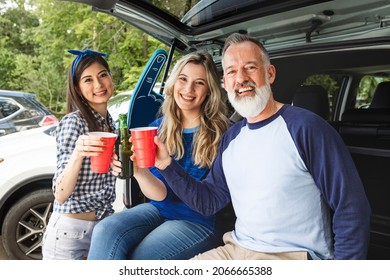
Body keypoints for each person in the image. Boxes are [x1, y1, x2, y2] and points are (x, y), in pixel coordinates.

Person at [149, 33, 371, 260]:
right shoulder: (231, 136)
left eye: (250, 67)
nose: (241, 78)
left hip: (291, 256)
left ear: (270, 73)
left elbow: (351, 208)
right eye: (232, 71)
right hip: (235, 249)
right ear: (225, 83)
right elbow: (209, 202)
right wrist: (166, 164)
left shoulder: (306, 128)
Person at [87, 51, 231, 260]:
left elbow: (211, 201)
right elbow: (161, 195)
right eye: (183, 79)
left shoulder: (223, 134)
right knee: (105, 229)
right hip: (159, 209)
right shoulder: (157, 130)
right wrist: (137, 170)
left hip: (199, 221)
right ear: (173, 83)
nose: (188, 89)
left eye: (199, 83)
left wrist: (166, 164)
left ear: (209, 90)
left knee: (139, 259)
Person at [42, 50, 118, 260]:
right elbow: (60, 194)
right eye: (88, 80)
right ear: (77, 87)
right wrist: (78, 153)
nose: (98, 85)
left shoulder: (111, 123)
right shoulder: (73, 122)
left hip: (102, 228)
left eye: (103, 75)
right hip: (69, 233)